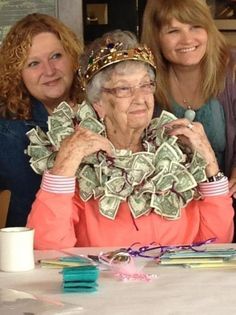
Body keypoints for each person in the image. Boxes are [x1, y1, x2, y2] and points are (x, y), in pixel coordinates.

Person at [27, 30, 233, 249]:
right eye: (124, 89)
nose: (141, 99)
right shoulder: (79, 159)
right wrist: (63, 167)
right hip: (106, 281)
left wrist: (210, 163)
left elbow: (219, 243)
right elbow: (48, 249)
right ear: (98, 103)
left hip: (177, 280)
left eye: (146, 85)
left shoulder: (178, 149)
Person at [141, 0, 236, 197]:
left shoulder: (233, 68)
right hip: (170, 204)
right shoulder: (143, 80)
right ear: (156, 37)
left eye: (195, 27)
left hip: (226, 199)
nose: (187, 39)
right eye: (173, 31)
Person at [0, 13, 83, 226]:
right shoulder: (6, 129)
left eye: (56, 56)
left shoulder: (103, 108)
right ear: (17, 73)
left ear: (73, 56)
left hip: (97, 249)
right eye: (33, 63)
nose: (49, 70)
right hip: (31, 250)